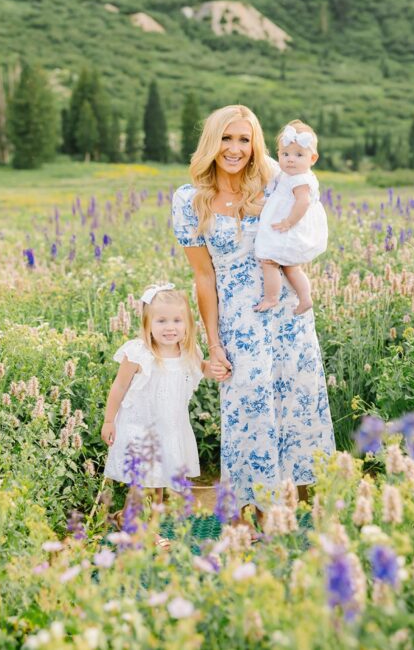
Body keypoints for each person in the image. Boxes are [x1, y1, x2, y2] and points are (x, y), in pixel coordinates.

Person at [171, 104, 335, 521]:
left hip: (287, 315)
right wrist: (214, 344)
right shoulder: (190, 200)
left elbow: (308, 210)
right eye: (226, 138)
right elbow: (203, 278)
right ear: (212, 141)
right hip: (240, 322)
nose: (235, 148)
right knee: (250, 409)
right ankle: (257, 513)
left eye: (245, 139)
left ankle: (307, 512)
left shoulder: (274, 183)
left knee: (298, 401)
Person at [101, 284, 211, 516]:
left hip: (169, 427)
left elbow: (203, 369)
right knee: (145, 483)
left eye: (177, 321)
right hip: (140, 426)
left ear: (187, 325)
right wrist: (109, 421)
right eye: (161, 321)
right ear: (147, 324)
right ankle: (142, 527)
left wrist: (221, 369)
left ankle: (128, 519)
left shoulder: (188, 353)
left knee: (158, 483)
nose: (170, 327)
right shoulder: (139, 354)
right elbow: (119, 386)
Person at [253, 120, 329, 315]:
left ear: (313, 158)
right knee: (291, 267)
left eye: (298, 155)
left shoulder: (300, 179)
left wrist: (288, 222)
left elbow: (302, 203)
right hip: (288, 227)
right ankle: (305, 298)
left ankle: (271, 298)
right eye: (285, 154)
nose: (290, 159)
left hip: (288, 228)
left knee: (269, 261)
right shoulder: (293, 174)